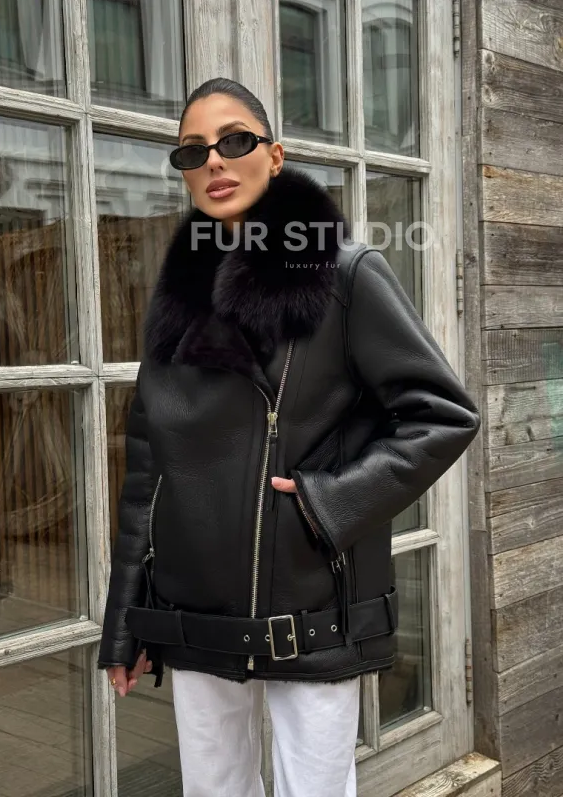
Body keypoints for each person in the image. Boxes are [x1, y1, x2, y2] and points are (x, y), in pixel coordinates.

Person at [97, 77, 481, 797]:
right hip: (192, 610)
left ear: (274, 156)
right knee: (213, 790)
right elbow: (148, 469)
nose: (214, 160)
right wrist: (125, 620)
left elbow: (444, 413)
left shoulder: (345, 274)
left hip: (310, 607)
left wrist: (325, 503)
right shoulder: (175, 301)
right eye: (192, 151)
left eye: (235, 140)